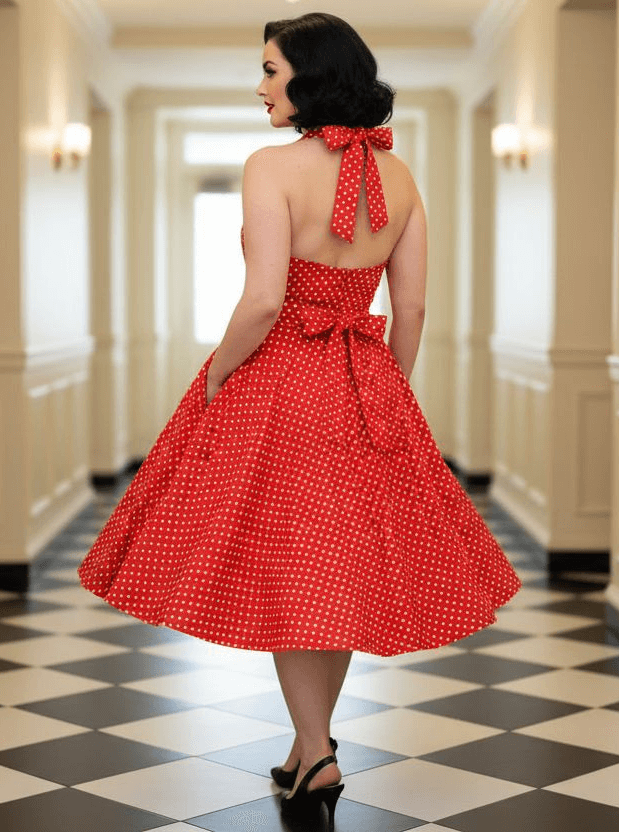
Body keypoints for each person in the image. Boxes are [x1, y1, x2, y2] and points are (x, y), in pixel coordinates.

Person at [78, 11, 521, 829]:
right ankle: (308, 741)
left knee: (290, 570)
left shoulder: (271, 166)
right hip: (364, 382)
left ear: (309, 78)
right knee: (338, 572)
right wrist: (385, 386)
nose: (260, 87)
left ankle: (314, 752)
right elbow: (412, 305)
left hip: (280, 380)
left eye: (271, 72)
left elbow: (264, 301)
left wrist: (214, 374)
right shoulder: (406, 178)